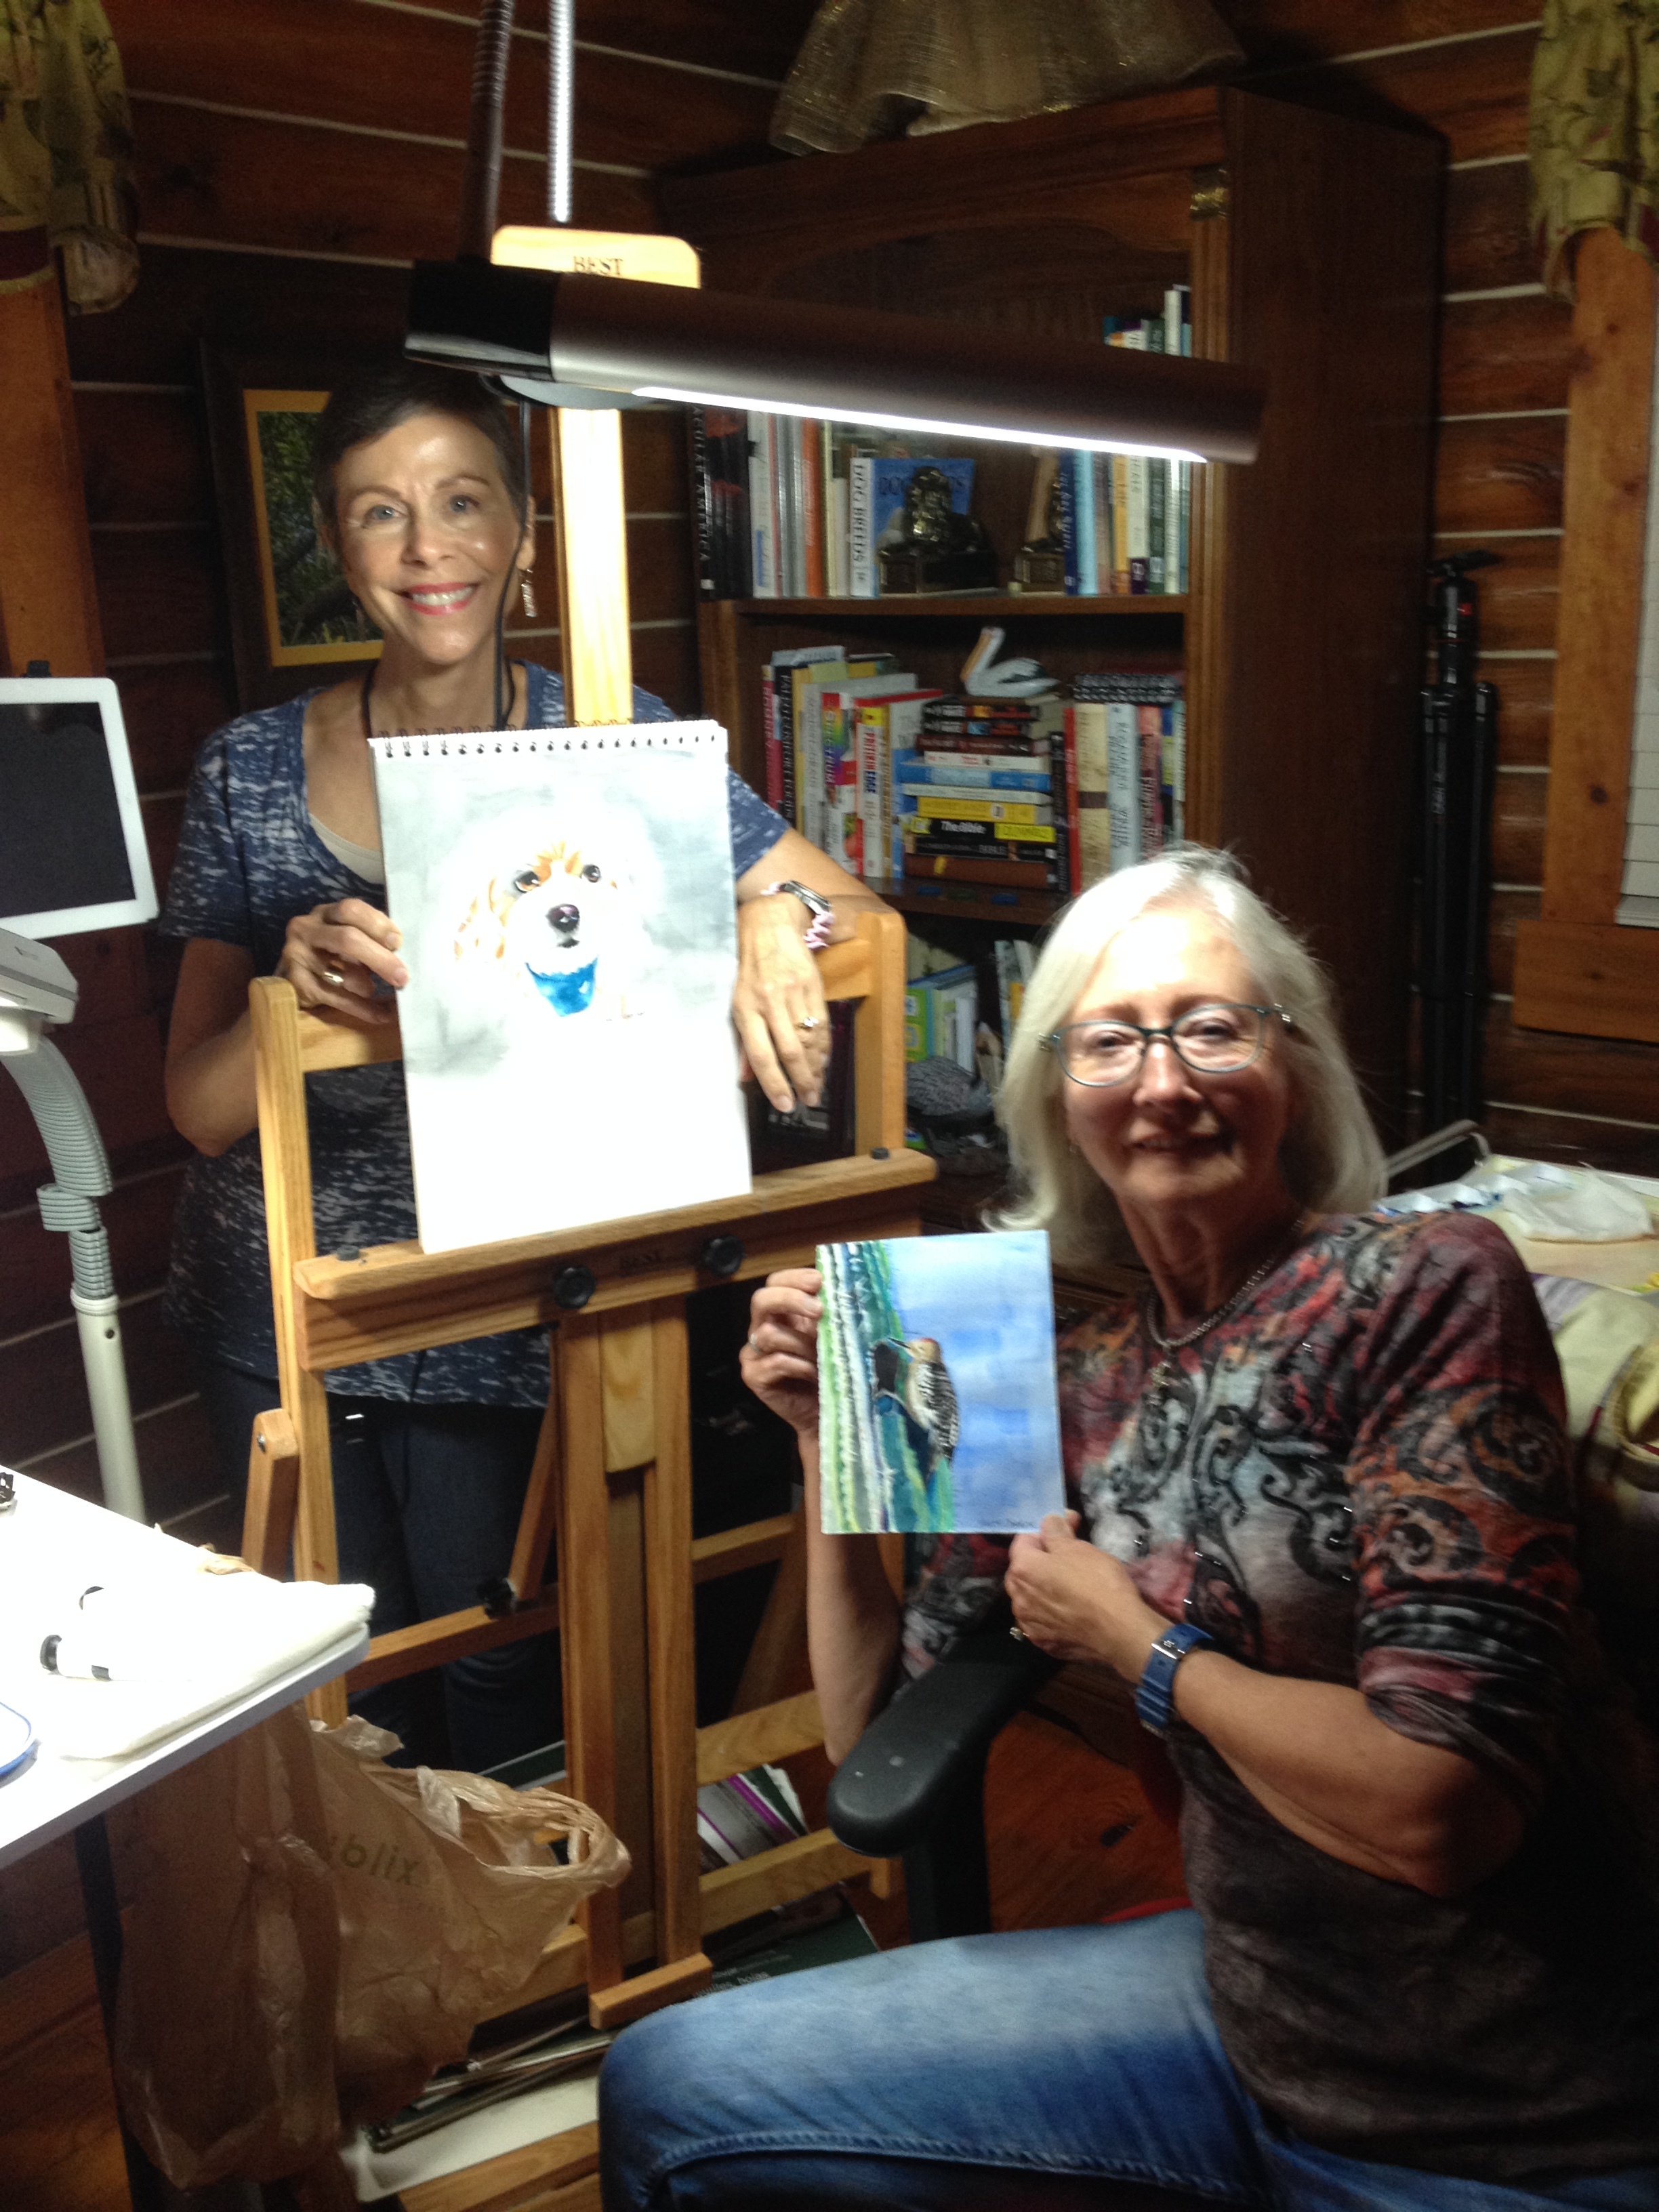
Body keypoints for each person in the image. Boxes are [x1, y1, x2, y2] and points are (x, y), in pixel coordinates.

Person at [599, 846, 1659, 2211]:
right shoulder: (1058, 1357)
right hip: (1247, 2013)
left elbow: (1441, 1813)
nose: (1163, 1082)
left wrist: (1137, 1643)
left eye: (1211, 1027)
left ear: (1293, 1065)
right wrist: (823, 1456)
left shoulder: (1421, 1286)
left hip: (1508, 2112)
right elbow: (874, 1748)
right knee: (673, 2083)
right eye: (1110, 1042)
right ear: (1061, 1096)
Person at [161, 360, 884, 1772]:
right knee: (336, 1707)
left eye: (461, 503)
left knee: (505, 1687)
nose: (428, 551)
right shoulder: (247, 768)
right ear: (335, 545)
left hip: (508, 1300)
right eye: (381, 514)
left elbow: (849, 914)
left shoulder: (617, 732)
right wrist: (285, 993)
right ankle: (385, 1993)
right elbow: (189, 1110)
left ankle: (524, 1993)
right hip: (283, 1309)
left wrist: (762, 914)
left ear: (526, 536)